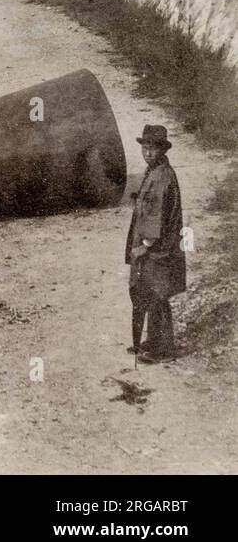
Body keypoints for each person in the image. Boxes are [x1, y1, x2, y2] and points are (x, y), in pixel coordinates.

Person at [124, 124, 186, 363]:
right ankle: (154, 341)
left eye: (153, 148)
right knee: (151, 293)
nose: (148, 153)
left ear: (162, 149)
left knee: (158, 294)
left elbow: (158, 214)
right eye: (145, 148)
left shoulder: (161, 176)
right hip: (157, 246)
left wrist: (145, 244)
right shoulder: (156, 171)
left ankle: (163, 349)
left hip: (159, 248)